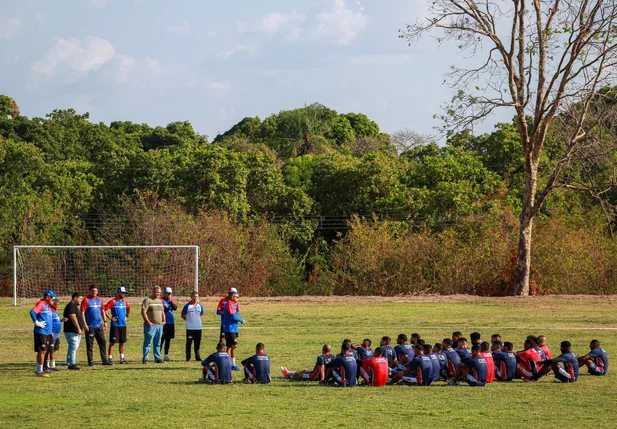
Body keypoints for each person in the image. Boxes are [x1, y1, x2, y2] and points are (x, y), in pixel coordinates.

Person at [81, 286, 112, 366]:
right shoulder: (86, 300)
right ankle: (90, 361)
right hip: (90, 326)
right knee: (90, 344)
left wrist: (105, 321)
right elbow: (82, 313)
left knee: (103, 342)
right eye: (93, 291)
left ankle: (104, 360)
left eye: (96, 291)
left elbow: (102, 311)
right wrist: (85, 324)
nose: (94, 292)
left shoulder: (99, 300)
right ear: (89, 291)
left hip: (99, 326)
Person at [30, 290, 55, 377]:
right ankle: (39, 371)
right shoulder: (41, 303)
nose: (53, 299)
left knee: (44, 351)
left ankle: (39, 369)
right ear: (47, 297)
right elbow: (32, 312)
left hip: (47, 332)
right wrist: (36, 322)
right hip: (41, 332)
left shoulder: (48, 306)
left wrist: (51, 331)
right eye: (52, 297)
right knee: (42, 350)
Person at [104, 287, 130, 364]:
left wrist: (127, 316)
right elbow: (105, 309)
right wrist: (110, 318)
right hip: (115, 325)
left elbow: (128, 309)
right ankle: (109, 358)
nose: (124, 294)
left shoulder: (125, 302)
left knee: (122, 342)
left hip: (123, 325)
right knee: (112, 342)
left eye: (124, 293)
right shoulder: (113, 301)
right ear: (118, 293)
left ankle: (122, 358)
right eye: (122, 293)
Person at [141, 285, 166, 364]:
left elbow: (162, 311)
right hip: (150, 326)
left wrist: (164, 320)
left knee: (158, 342)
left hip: (159, 325)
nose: (158, 294)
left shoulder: (160, 301)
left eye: (159, 292)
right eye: (157, 292)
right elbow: (143, 312)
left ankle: (157, 358)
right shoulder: (147, 300)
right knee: (148, 342)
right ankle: (145, 358)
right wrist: (148, 321)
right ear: (153, 291)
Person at [221, 289, 245, 371]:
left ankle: (228, 364)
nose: (238, 299)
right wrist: (241, 320)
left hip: (233, 328)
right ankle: (231, 363)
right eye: (237, 297)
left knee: (229, 347)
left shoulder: (233, 304)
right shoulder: (229, 304)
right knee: (234, 346)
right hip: (230, 329)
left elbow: (235, 313)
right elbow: (232, 316)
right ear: (232, 297)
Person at [181, 291, 204, 361]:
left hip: (198, 327)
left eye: (197, 296)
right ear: (191, 297)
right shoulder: (187, 305)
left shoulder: (200, 305)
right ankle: (188, 357)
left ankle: (197, 356)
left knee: (197, 343)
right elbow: (182, 315)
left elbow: (202, 314)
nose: (195, 298)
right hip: (190, 327)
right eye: (194, 296)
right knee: (189, 343)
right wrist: (188, 320)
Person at [63, 292, 84, 370]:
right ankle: (72, 363)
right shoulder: (71, 306)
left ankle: (70, 361)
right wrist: (78, 328)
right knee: (73, 346)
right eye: (80, 299)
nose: (80, 301)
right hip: (71, 330)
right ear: (75, 298)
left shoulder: (74, 306)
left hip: (74, 331)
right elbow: (73, 317)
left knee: (74, 346)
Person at [44, 298, 62, 372]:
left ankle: (53, 365)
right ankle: (47, 366)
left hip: (56, 335)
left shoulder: (56, 312)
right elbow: (49, 323)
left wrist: (61, 320)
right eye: (56, 304)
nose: (58, 306)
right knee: (49, 351)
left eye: (58, 305)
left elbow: (56, 321)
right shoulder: (50, 312)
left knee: (54, 350)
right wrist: (50, 332)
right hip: (52, 335)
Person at [161, 287, 177, 362]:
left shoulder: (171, 300)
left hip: (171, 322)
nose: (168, 295)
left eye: (170, 294)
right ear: (164, 293)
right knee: (162, 339)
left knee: (168, 339)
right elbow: (163, 309)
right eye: (167, 293)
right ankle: (158, 355)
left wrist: (171, 301)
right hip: (164, 322)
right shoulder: (161, 300)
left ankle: (166, 355)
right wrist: (168, 307)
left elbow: (175, 308)